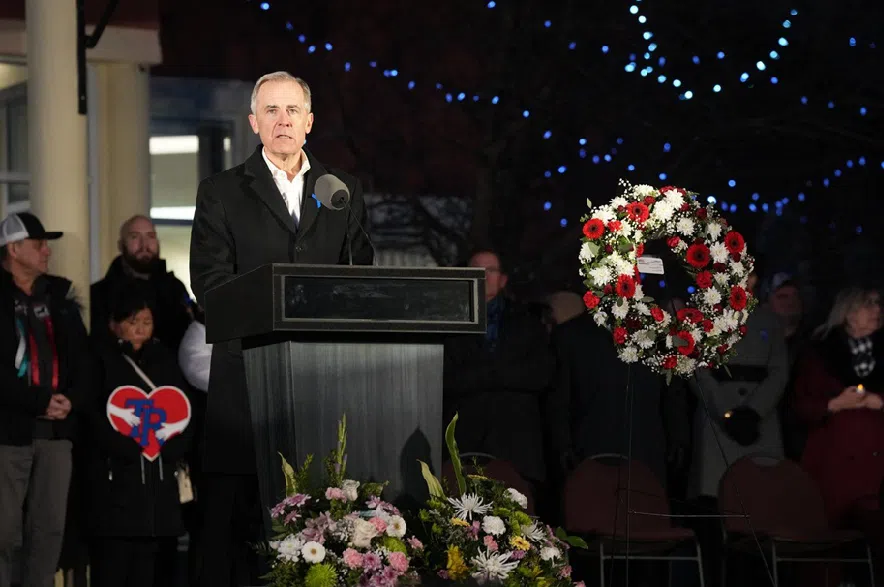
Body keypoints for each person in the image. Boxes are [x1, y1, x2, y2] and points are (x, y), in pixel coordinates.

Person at [189, 71, 373, 587]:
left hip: (324, 382)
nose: (283, 120)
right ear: (254, 122)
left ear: (309, 123)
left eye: (292, 111)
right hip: (247, 384)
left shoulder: (342, 190)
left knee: (321, 521)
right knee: (240, 536)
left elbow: (361, 277)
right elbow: (210, 285)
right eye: (271, 111)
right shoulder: (221, 191)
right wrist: (277, 307)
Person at [0, 212, 91, 587]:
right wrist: (38, 401)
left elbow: (84, 361)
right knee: (4, 532)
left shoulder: (60, 296)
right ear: (13, 248)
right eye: (38, 244)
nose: (46, 251)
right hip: (9, 433)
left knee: (50, 529)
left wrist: (71, 399)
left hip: (57, 434)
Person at [86, 292, 194, 587]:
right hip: (117, 484)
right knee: (116, 565)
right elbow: (92, 414)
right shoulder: (99, 360)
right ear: (114, 324)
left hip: (161, 489)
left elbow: (184, 412)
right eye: (133, 321)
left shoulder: (166, 360)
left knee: (158, 567)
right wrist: (125, 448)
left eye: (147, 321)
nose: (141, 328)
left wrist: (173, 446)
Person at [91, 215, 194, 352]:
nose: (144, 245)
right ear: (121, 245)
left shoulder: (175, 288)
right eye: (135, 237)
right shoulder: (101, 293)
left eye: (150, 236)